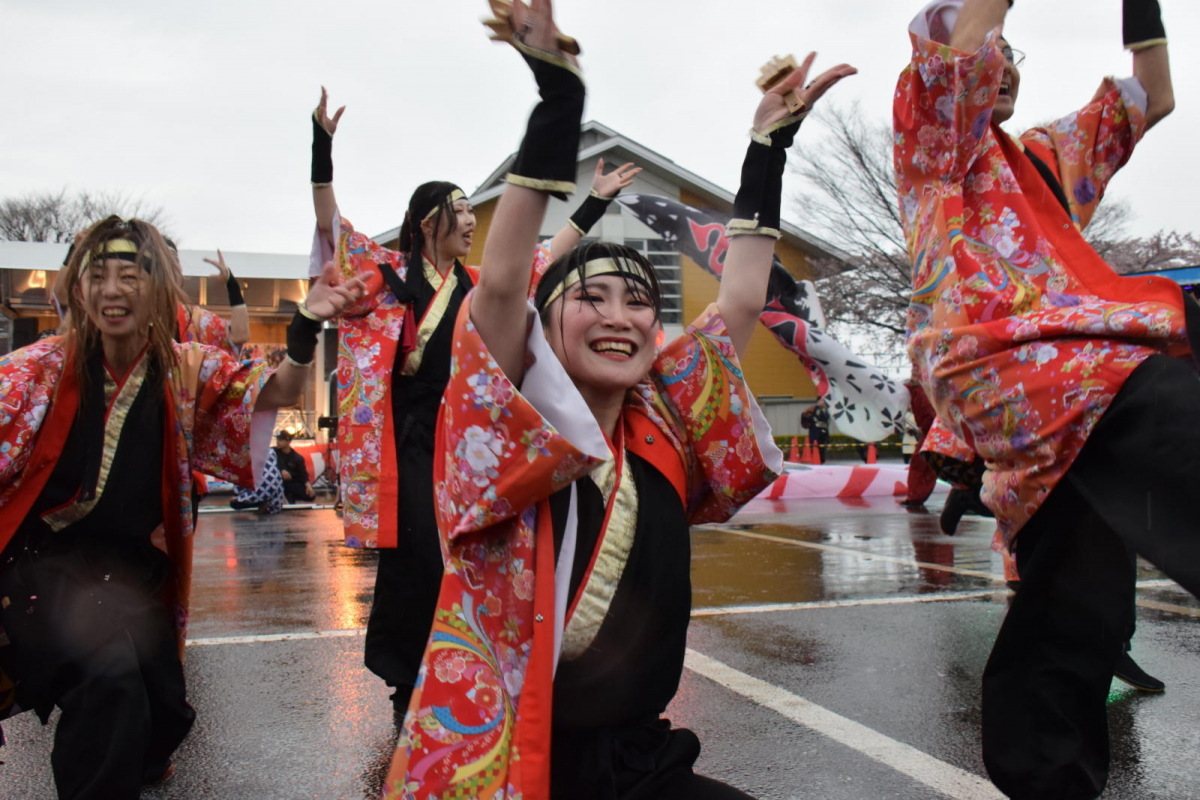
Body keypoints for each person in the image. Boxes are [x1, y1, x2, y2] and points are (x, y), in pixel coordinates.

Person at [381, 3, 854, 797]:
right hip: (519, 764)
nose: (619, 316)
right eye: (590, 298)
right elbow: (499, 284)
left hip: (639, 758)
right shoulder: (508, 430)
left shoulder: (665, 419)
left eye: (637, 301)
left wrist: (766, 151)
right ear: (547, 324)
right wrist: (558, 105)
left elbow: (739, 299)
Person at [895, 1, 1193, 796]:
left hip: (1075, 390)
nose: (1003, 59)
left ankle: (1043, 777)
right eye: (988, 44)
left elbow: (1153, 95)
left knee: (1077, 611)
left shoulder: (1042, 158)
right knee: (1176, 400)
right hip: (1010, 370)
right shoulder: (930, 137)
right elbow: (958, 67)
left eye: (1011, 48)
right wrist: (977, 32)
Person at [0, 216, 363, 799]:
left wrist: (306, 323)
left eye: (128, 276)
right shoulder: (35, 370)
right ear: (76, 287)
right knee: (108, 686)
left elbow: (277, 392)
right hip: (50, 568)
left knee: (164, 710)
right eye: (97, 276)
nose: (112, 291)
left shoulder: (183, 365)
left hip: (137, 569)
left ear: (158, 290)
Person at [308, 88, 641, 715]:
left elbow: (545, 257)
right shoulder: (384, 278)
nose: (470, 221)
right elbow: (331, 223)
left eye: (470, 211)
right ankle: (411, 675)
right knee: (416, 562)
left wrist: (594, 202)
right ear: (428, 219)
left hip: (467, 439)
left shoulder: (479, 286)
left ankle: (469, 668)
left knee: (470, 556)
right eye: (459, 210)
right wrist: (321, 147)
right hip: (408, 441)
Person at [273, 429, 315, 503]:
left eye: (281, 440)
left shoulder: (297, 458)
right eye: (277, 439)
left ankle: (290, 495)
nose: (278, 442)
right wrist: (281, 471)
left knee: (310, 495)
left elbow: (303, 475)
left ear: (288, 441)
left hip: (291, 483)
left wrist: (308, 486)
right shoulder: (273, 452)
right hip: (276, 482)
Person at [800, 397, 830, 463]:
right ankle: (816, 460)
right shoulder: (812, 409)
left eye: (824, 401)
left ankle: (822, 460)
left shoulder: (826, 410)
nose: (823, 402)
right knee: (816, 447)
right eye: (821, 400)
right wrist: (811, 420)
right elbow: (804, 416)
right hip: (815, 431)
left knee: (823, 447)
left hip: (824, 431)